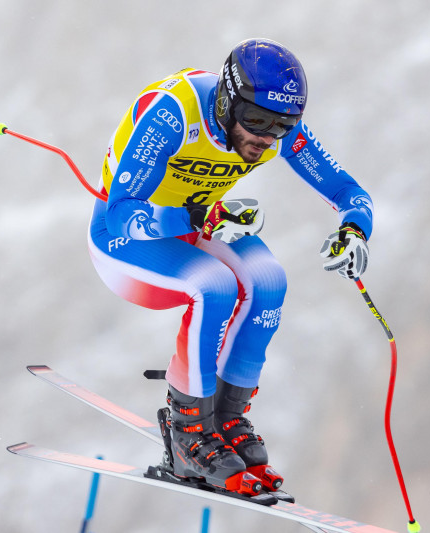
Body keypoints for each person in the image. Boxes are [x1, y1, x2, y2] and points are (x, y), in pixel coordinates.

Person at [87, 38, 373, 493]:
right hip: (124, 239)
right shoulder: (173, 115)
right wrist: (201, 215)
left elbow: (349, 192)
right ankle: (188, 432)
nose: (264, 137)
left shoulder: (277, 130)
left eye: (281, 126)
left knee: (270, 280)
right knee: (215, 285)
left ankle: (227, 419)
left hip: (199, 218)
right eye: (255, 120)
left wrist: (355, 230)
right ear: (225, 100)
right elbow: (125, 210)